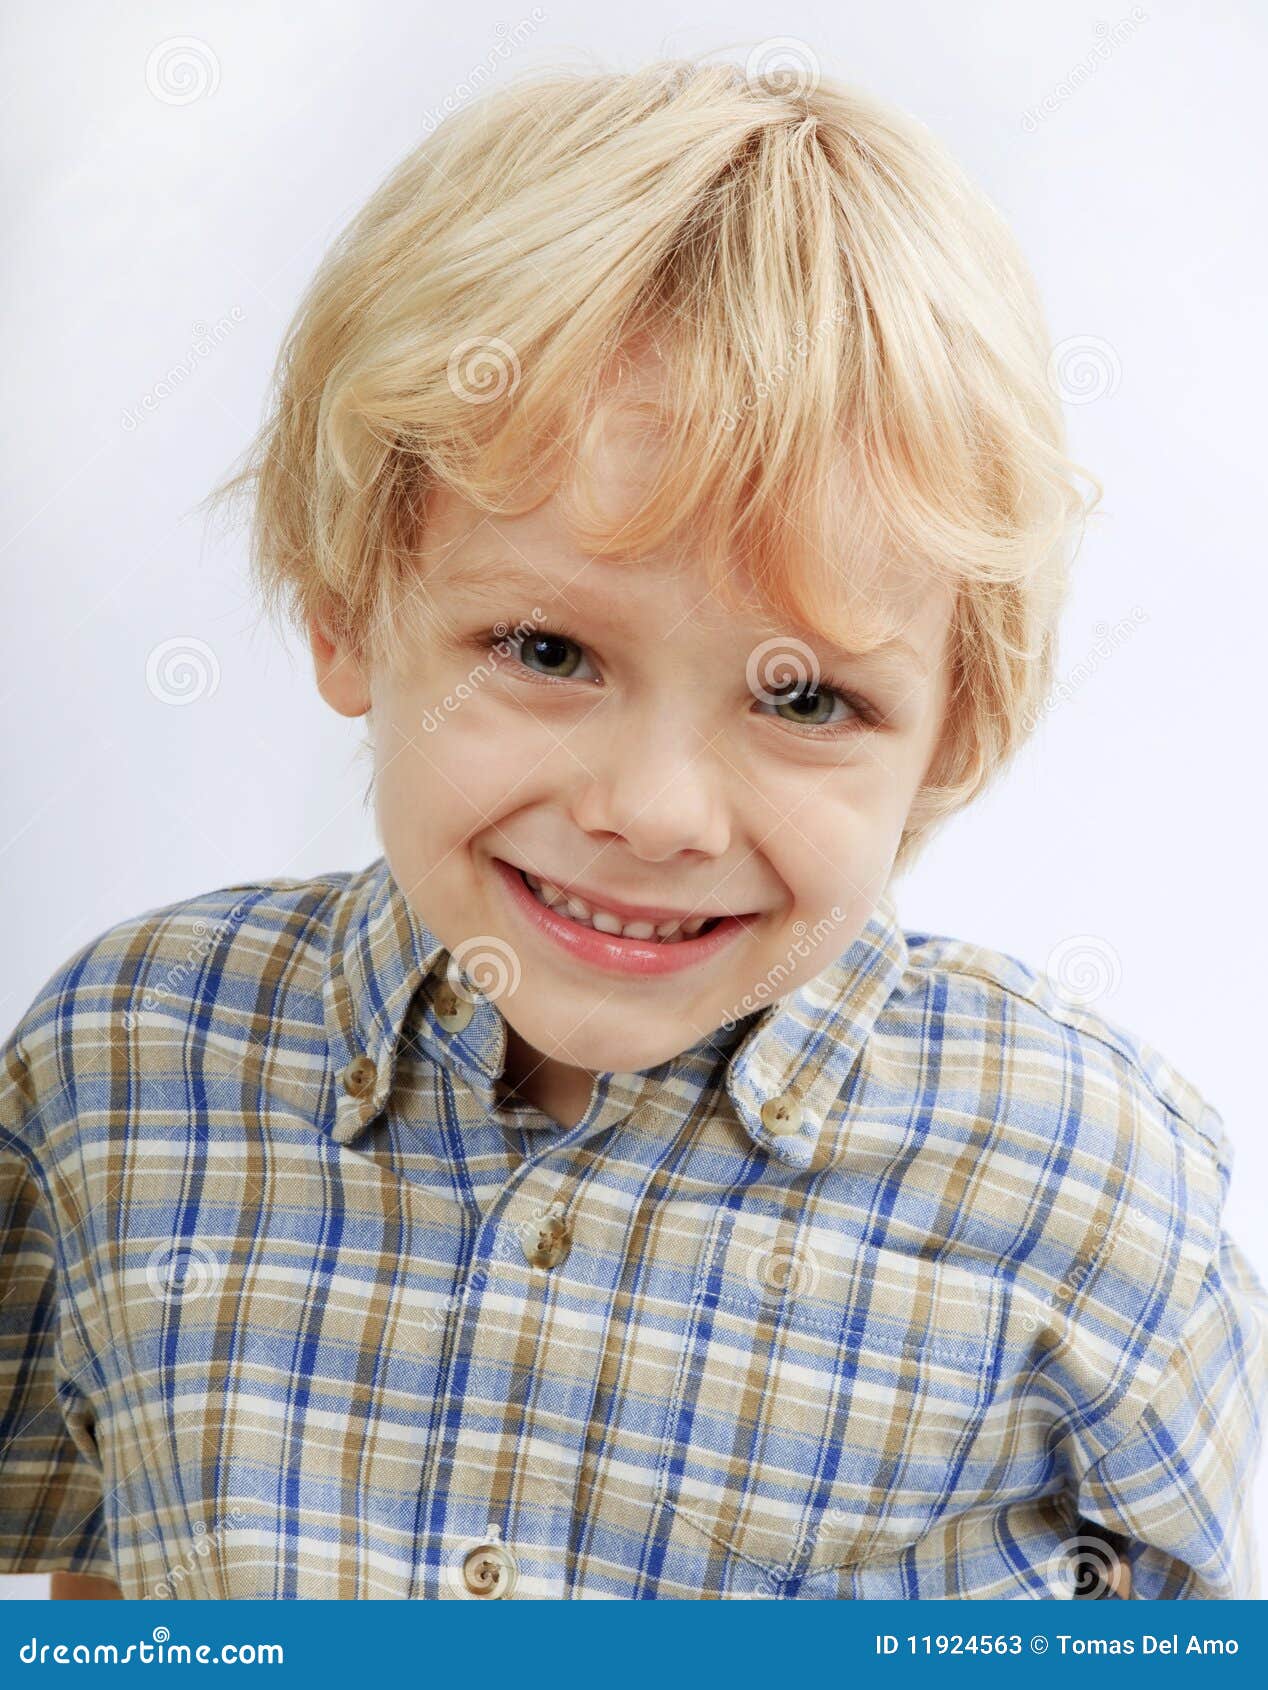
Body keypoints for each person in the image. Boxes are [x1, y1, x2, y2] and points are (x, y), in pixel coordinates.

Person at [2, 56, 1264, 1601]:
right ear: (348, 608)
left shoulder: (1093, 1190)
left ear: (960, 730)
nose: (655, 811)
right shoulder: (116, 1071)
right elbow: (102, 1601)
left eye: (804, 702)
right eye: (545, 651)